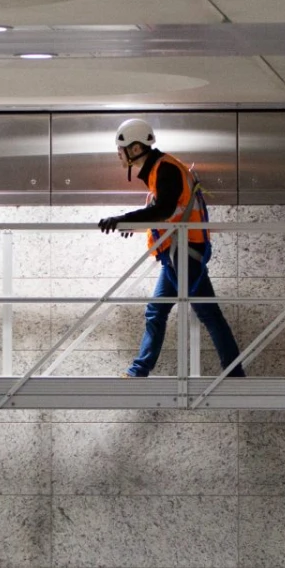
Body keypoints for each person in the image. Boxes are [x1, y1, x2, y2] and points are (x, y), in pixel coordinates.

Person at [98, 118, 245, 379]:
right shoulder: (159, 171)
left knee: (208, 314)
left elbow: (164, 209)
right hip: (176, 255)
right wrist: (136, 225)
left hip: (184, 253)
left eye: (120, 151)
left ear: (134, 149)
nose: (119, 156)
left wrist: (123, 219)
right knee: (158, 311)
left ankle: (234, 374)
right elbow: (168, 213)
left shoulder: (165, 169)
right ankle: (139, 370)